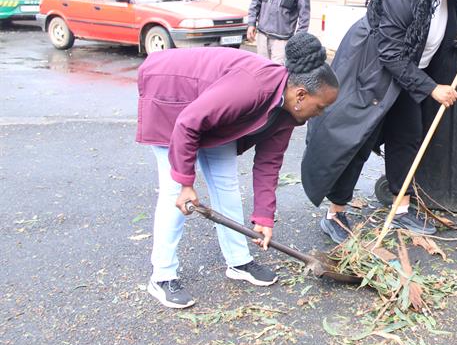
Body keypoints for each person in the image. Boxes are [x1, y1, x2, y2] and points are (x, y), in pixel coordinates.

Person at [301, 0, 457, 244]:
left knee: (407, 138)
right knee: (357, 142)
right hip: (372, 75)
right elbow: (389, 53)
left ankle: (401, 209)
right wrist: (432, 89)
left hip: (407, 77)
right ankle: (335, 213)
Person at [136, 32, 338, 308]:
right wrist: (186, 183)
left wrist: (264, 217)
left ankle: (238, 261)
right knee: (174, 193)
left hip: (209, 113)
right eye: (321, 106)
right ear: (301, 95)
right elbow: (189, 123)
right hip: (172, 93)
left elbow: (269, 164)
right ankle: (162, 276)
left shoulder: (288, 112)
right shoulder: (253, 88)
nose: (321, 113)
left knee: (226, 184)